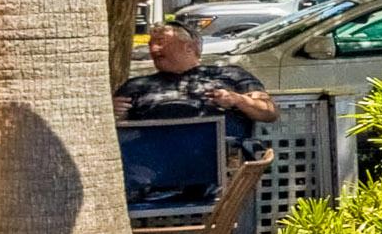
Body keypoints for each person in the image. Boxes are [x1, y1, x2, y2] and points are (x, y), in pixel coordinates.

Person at [117, 23, 282, 157]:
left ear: (189, 48)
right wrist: (114, 115)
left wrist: (236, 100)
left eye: (160, 42)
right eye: (151, 44)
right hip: (152, 168)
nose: (153, 49)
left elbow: (270, 113)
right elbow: (117, 131)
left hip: (220, 167)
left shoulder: (230, 75)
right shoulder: (136, 86)